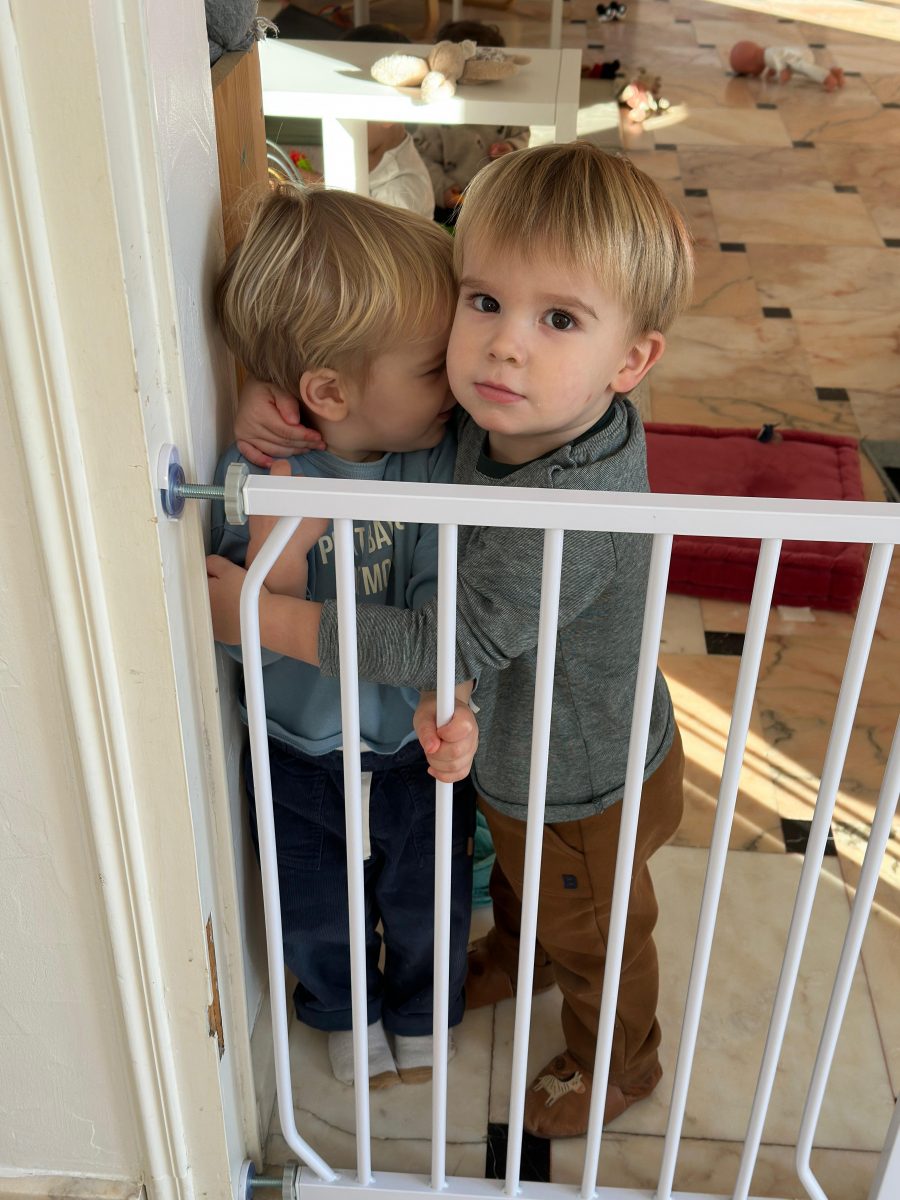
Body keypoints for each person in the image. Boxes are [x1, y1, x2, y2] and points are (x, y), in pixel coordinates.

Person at [209, 143, 694, 1138]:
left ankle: (622, 1058)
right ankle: (515, 955)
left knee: (594, 931)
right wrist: (272, 398)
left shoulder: (575, 511)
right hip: (511, 755)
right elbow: (373, 399)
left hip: (582, 780)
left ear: (630, 364)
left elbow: (440, 644)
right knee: (516, 881)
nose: (503, 347)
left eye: (559, 320)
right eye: (484, 302)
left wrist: (266, 616)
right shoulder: (507, 414)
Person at [208, 184, 478, 1089]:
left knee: (429, 892)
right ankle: (340, 1007)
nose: (456, 383)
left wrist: (455, 700)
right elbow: (248, 632)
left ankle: (422, 1010)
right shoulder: (257, 470)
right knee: (315, 901)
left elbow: (448, 601)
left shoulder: (437, 459)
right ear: (328, 391)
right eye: (434, 368)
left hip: (409, 742)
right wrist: (285, 535)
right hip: (297, 748)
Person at [413, 21, 529, 222]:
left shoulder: (505, 108)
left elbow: (522, 133)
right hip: (453, 202)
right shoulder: (437, 117)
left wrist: (510, 147)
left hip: (497, 198)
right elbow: (422, 159)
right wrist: (442, 188)